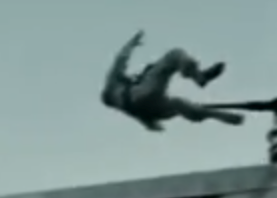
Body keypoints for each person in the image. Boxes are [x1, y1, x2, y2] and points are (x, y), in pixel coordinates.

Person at [101, 31, 245, 131]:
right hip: (143, 96)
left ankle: (214, 114)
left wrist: (150, 124)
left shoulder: (128, 108)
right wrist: (131, 44)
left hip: (154, 111)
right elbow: (120, 60)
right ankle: (199, 77)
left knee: (178, 104)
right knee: (174, 55)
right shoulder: (112, 85)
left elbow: (145, 121)